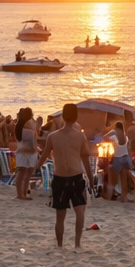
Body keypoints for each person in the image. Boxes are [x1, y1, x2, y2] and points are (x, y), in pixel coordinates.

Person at [37, 102, 95, 248]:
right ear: (76, 117)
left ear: (62, 116)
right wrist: (91, 179)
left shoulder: (53, 136)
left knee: (60, 215)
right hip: (76, 176)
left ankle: (60, 244)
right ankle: (77, 243)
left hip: (60, 178)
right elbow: (85, 160)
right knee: (80, 211)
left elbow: (43, 156)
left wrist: (34, 168)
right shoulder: (80, 136)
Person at [12, 107, 39, 200]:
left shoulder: (19, 124)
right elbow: (33, 137)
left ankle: (21, 194)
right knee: (27, 173)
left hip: (21, 150)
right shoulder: (28, 124)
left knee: (22, 172)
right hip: (29, 151)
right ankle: (22, 193)